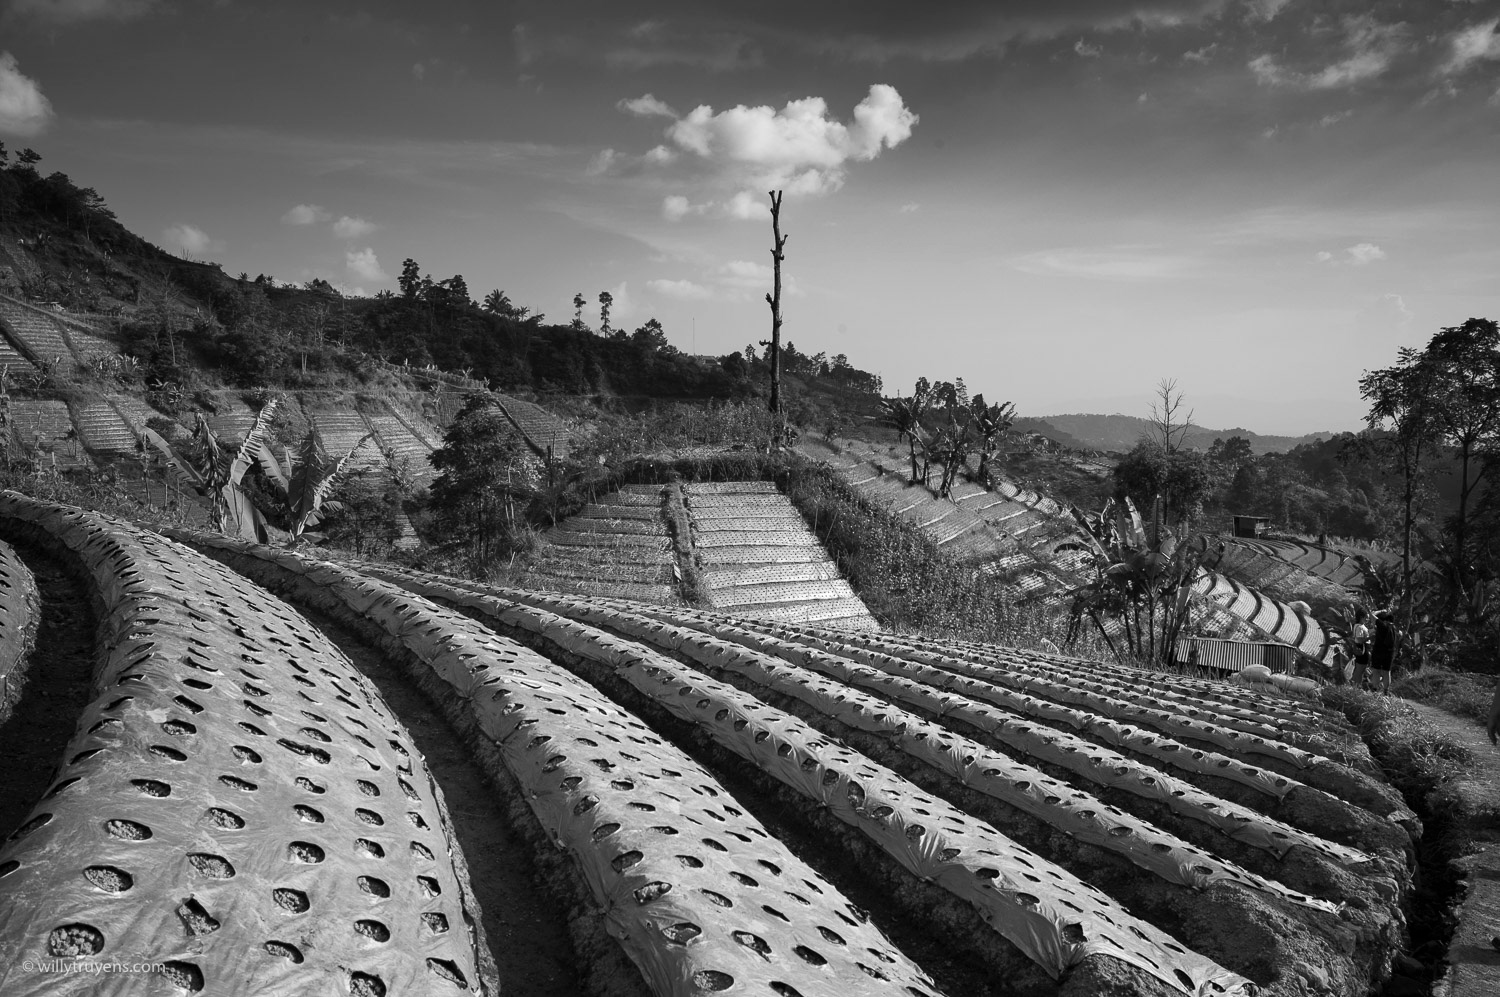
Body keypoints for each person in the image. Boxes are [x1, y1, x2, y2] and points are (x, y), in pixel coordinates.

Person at [1369, 609, 1398, 694]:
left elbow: (1371, 614)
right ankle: (1386, 691)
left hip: (1378, 651)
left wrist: (1381, 611)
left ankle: (1375, 689)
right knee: (1387, 672)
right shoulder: (1394, 628)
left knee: (1376, 671)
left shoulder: (1382, 625)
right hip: (1390, 652)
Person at [1346, 606, 1371, 689]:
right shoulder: (1359, 627)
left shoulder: (1359, 626)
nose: (1367, 619)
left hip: (1363, 650)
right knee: (1359, 670)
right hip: (1362, 650)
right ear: (1361, 617)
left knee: (1360, 670)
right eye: (1366, 618)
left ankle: (1356, 686)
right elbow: (1359, 640)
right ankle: (1356, 687)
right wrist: (1370, 637)